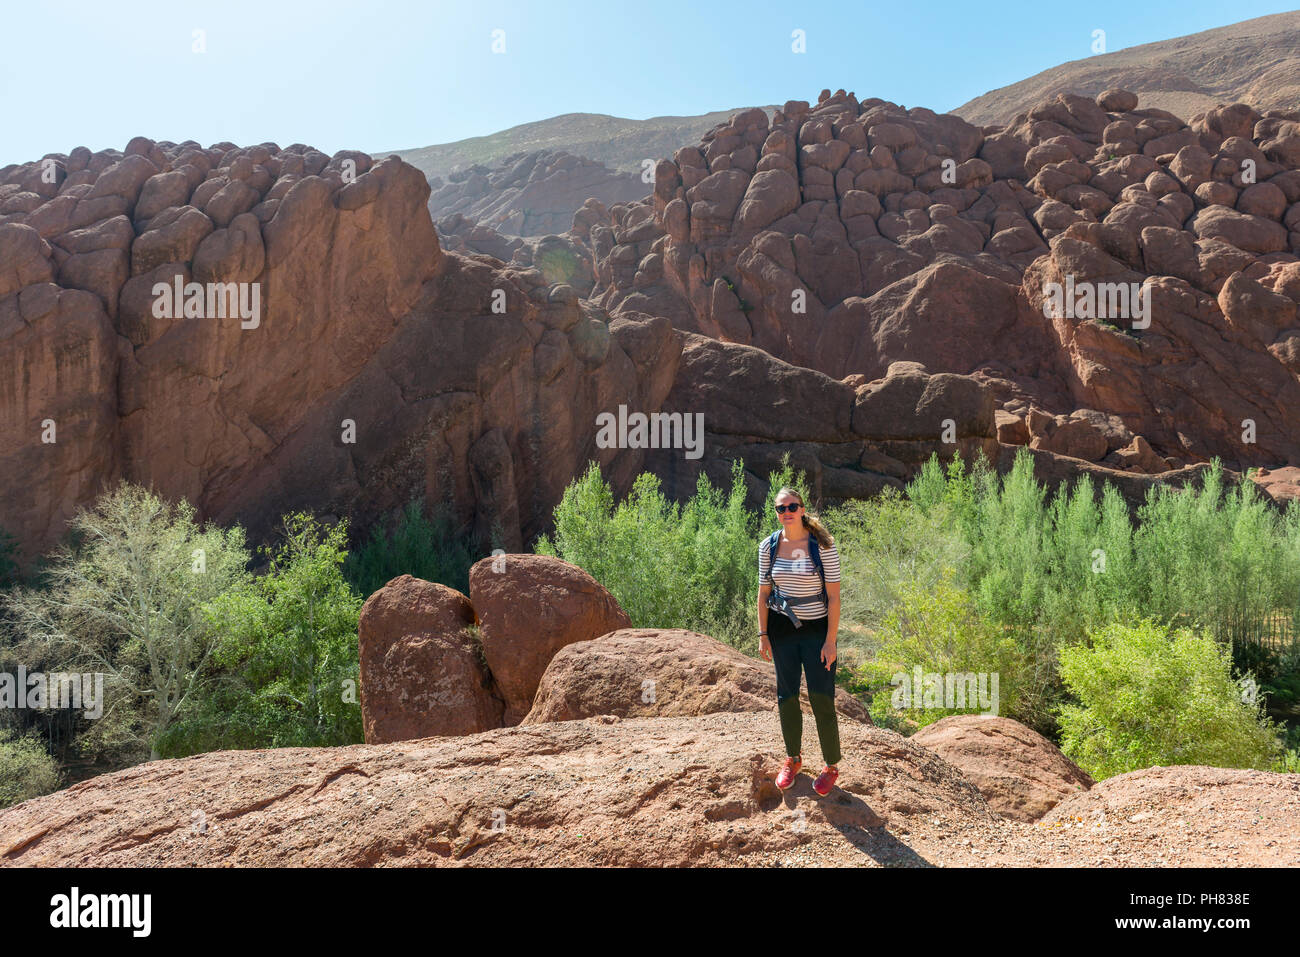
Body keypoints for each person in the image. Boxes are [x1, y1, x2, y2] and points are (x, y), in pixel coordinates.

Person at [757, 487, 843, 796]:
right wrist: (763, 634)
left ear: (802, 509)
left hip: (817, 629)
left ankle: (831, 765)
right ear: (776, 512)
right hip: (782, 628)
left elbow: (833, 597)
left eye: (792, 506)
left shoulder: (822, 545)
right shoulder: (768, 546)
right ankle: (792, 759)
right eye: (781, 508)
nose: (787, 512)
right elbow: (764, 593)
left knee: (822, 697)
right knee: (787, 696)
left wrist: (830, 641)